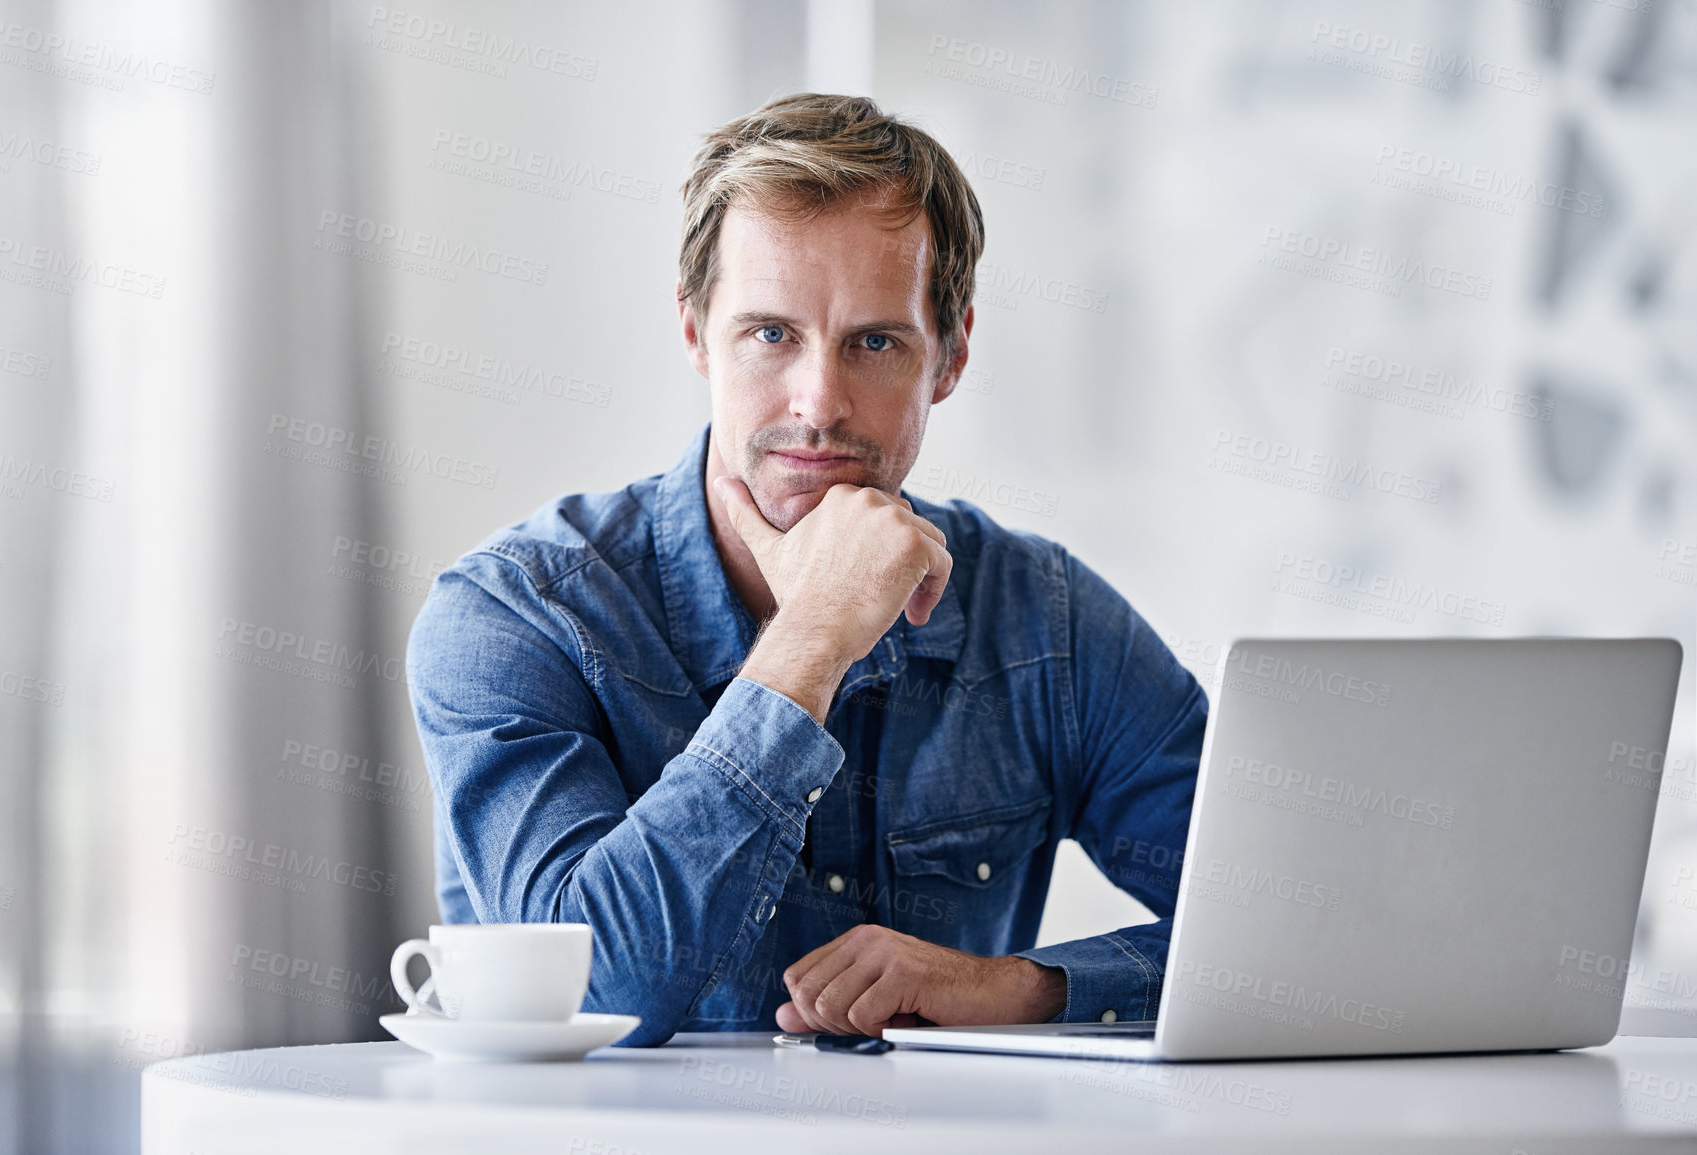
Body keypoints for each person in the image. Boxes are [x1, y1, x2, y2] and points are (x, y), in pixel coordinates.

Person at [406, 93, 1206, 1046]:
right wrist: (814, 637)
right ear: (698, 333)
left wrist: (1023, 987)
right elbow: (592, 991)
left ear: (948, 355)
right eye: (770, 333)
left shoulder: (1045, 619)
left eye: (875, 342)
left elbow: (1292, 943)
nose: (818, 401)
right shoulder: (515, 614)